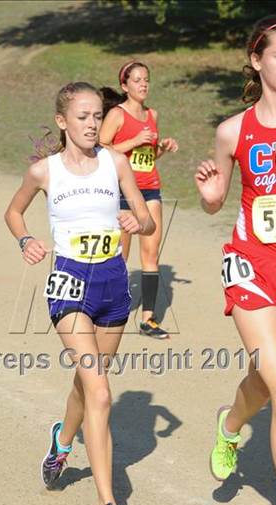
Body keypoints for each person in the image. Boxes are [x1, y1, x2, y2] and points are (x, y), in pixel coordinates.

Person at [4, 82, 155, 505]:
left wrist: (138, 220)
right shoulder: (44, 172)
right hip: (69, 284)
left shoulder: (117, 162)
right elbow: (13, 212)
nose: (91, 124)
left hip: (112, 285)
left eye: (96, 117)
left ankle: (61, 442)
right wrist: (27, 240)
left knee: (87, 385)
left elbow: (146, 219)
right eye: (83, 117)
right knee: (102, 393)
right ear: (62, 121)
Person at [194, 15, 276, 505]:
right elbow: (216, 200)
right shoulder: (233, 131)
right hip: (253, 270)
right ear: (257, 61)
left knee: (263, 388)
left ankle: (230, 424)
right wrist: (212, 195)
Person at [99, 61, 178, 339]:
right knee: (120, 254)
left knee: (151, 252)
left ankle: (148, 319)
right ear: (125, 86)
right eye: (137, 80)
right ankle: (110, 308)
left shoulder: (152, 114)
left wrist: (163, 149)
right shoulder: (117, 115)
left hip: (150, 189)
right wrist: (133, 140)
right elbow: (101, 149)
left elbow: (149, 155)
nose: (143, 84)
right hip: (122, 190)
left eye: (146, 80)